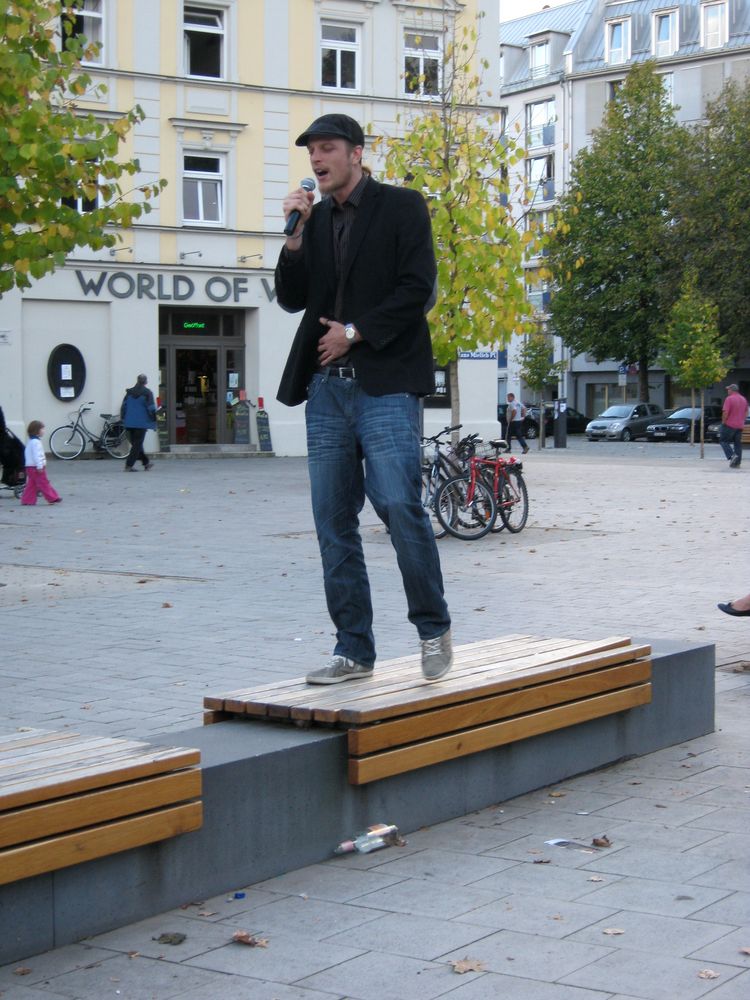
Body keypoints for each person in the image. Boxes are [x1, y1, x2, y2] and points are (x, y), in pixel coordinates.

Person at [274, 113, 452, 685]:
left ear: (355, 153)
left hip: (385, 383)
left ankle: (432, 628)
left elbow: (417, 288)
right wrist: (295, 238)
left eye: (326, 149)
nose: (317, 161)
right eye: (311, 154)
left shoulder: (402, 206)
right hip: (327, 389)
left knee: (400, 505)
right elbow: (291, 298)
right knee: (332, 521)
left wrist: (354, 332)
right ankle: (354, 649)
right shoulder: (316, 217)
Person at [20, 421, 61, 505]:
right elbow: (37, 455)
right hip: (36, 467)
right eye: (42, 429)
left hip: (29, 467)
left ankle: (27, 500)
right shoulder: (36, 442)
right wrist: (40, 466)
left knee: (32, 484)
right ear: (36, 430)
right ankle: (52, 497)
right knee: (43, 483)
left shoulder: (31, 442)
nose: (44, 431)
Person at [121, 374, 157, 471]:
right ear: (145, 382)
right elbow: (151, 408)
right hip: (141, 423)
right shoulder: (147, 393)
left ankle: (146, 463)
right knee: (137, 445)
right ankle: (129, 465)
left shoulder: (129, 393)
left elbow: (124, 407)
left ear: (137, 380)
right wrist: (154, 420)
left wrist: (123, 419)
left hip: (129, 422)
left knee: (137, 444)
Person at [718, 383, 748, 468]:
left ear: (732, 390)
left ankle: (732, 455)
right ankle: (737, 463)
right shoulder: (743, 399)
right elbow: (746, 412)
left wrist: (724, 422)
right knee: (737, 444)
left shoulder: (729, 399)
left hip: (729, 425)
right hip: (740, 425)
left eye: (728, 389)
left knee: (723, 441)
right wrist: (742, 420)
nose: (727, 391)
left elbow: (725, 412)